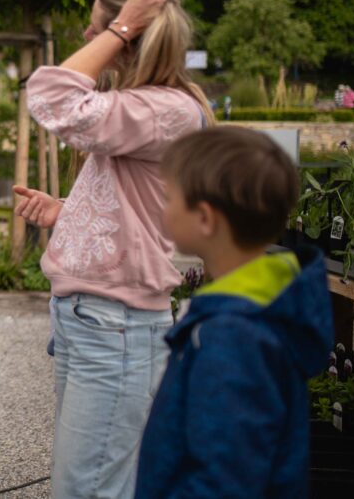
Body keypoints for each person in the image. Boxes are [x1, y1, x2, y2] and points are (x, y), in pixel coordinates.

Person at [14, 0, 214, 499]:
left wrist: (120, 25)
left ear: (130, 36)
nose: (89, 37)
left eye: (96, 28)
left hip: (116, 325)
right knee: (92, 482)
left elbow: (50, 95)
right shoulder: (147, 105)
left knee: (87, 488)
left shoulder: (163, 109)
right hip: (93, 319)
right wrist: (69, 213)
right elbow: (140, 201)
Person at [135, 127, 331, 498]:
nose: (164, 208)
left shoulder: (233, 334)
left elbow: (225, 477)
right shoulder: (254, 311)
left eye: (169, 197)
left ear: (205, 218)